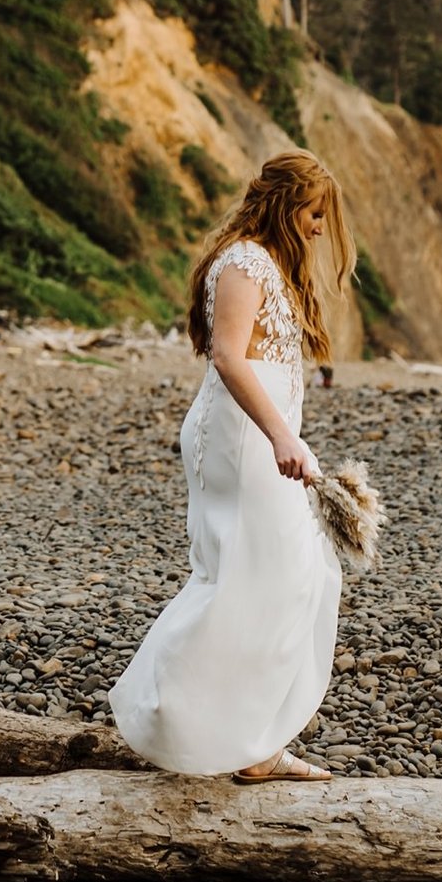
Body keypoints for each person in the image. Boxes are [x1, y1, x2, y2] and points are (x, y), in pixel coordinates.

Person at [108, 150, 354, 781]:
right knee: (261, 576)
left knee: (288, 576)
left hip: (260, 436)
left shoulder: (268, 263)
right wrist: (280, 437)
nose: (320, 227)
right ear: (284, 203)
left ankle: (253, 743)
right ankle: (170, 711)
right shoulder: (244, 262)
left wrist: (286, 432)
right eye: (313, 212)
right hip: (243, 441)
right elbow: (228, 356)